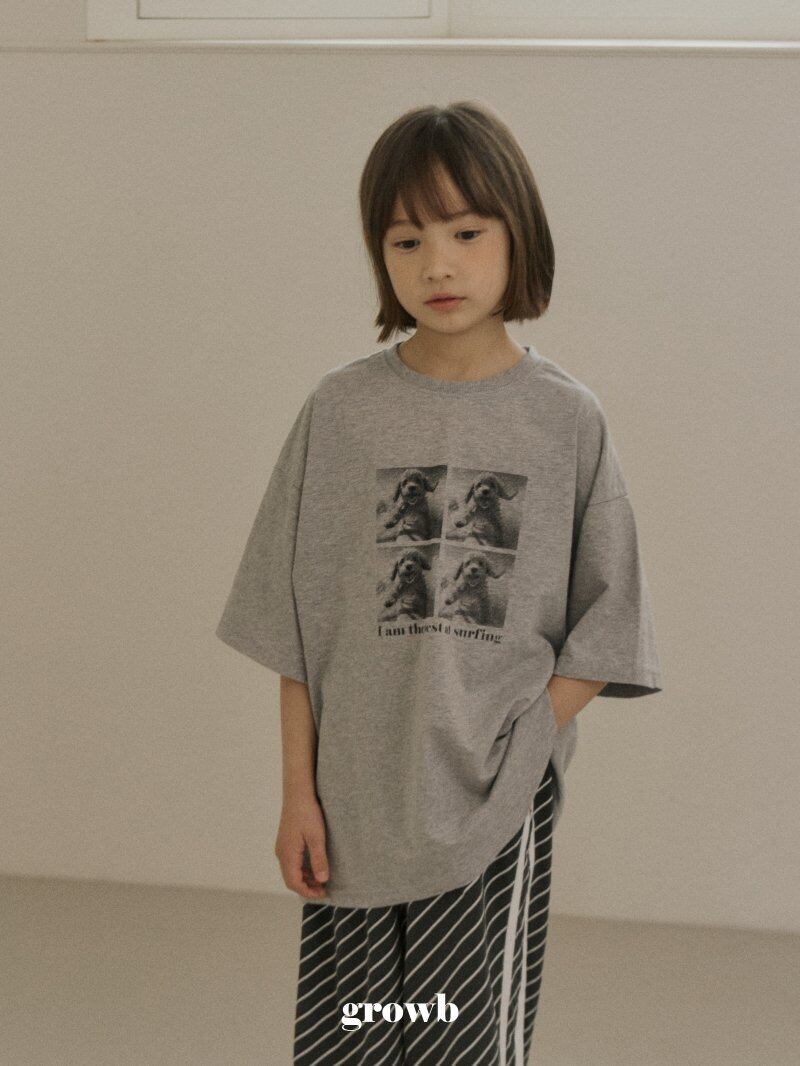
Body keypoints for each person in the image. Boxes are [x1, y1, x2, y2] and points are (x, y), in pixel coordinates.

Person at [215, 100, 663, 1064]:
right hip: (355, 800)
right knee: (361, 1039)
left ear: (517, 235)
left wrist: (524, 734)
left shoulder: (566, 421)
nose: (438, 266)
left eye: (466, 232)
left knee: (460, 1040)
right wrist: (297, 795)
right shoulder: (340, 412)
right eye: (407, 240)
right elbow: (296, 627)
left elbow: (610, 623)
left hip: (492, 804)